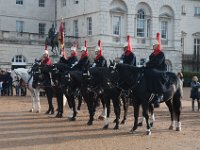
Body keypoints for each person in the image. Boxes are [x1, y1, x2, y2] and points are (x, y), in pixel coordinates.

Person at [145, 33, 168, 107]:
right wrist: (146, 64)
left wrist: (148, 64)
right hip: (153, 68)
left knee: (156, 75)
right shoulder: (152, 54)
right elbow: (150, 62)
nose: (153, 46)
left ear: (157, 45)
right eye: (153, 45)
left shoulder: (161, 54)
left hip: (160, 69)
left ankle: (159, 95)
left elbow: (157, 63)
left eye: (154, 45)